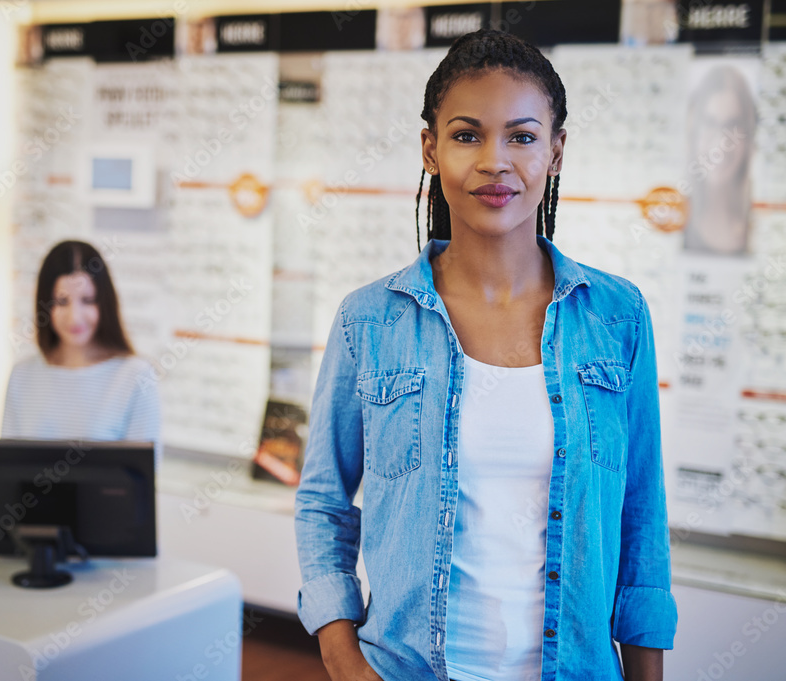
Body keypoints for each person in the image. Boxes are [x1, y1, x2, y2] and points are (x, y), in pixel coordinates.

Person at [295, 29, 676, 681]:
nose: (496, 160)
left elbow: (641, 515)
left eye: (522, 136)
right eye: (468, 134)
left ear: (555, 152)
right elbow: (324, 501)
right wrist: (343, 658)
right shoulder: (371, 319)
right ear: (430, 148)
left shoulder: (617, 316)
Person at [1, 240, 161, 462]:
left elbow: (143, 475)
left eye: (88, 300)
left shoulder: (136, 377)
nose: (74, 316)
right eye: (62, 301)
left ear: (104, 303)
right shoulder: (22, 375)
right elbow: (7, 466)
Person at [682, 64, 757, 256]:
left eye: (733, 126)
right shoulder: (673, 220)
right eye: (709, 123)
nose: (720, 142)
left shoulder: (764, 224)